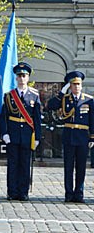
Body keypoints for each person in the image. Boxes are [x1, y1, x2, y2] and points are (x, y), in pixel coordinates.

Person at [47, 71, 94, 203]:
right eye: (73, 84)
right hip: (69, 136)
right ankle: (69, 194)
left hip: (83, 137)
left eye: (78, 84)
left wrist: (92, 137)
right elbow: (51, 105)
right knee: (68, 167)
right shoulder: (65, 99)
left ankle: (79, 194)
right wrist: (62, 92)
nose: (76, 87)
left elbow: (92, 120)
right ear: (70, 86)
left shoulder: (89, 100)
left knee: (81, 167)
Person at [0, 62, 41, 201]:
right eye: (19, 76)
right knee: (13, 164)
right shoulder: (9, 96)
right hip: (12, 134)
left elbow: (36, 119)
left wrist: (37, 138)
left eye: (24, 76)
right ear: (16, 78)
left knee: (25, 164)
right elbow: (4, 117)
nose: (22, 78)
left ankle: (23, 192)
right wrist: (4, 133)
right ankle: (12, 191)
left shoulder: (34, 96)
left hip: (27, 135)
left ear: (28, 77)